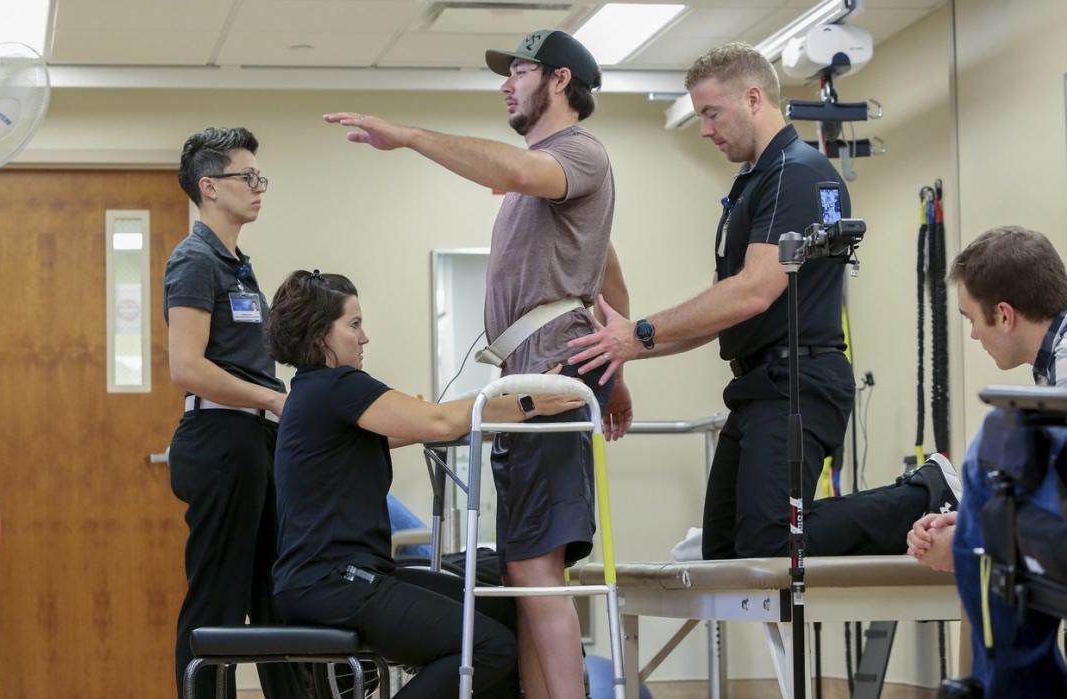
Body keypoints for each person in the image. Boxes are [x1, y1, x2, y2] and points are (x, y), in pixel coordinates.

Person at [324, 29, 628, 697]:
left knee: (535, 570)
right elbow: (604, 263)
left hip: (551, 372)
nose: (505, 83)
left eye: (519, 71)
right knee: (522, 570)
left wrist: (406, 137)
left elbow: (516, 172)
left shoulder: (575, 152)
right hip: (537, 368)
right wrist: (620, 364)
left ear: (557, 81)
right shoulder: (546, 177)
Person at [567, 42, 868, 559]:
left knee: (769, 540)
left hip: (797, 384)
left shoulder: (796, 173)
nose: (705, 129)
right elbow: (721, 308)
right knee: (726, 550)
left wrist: (641, 333)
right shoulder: (754, 182)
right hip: (758, 385)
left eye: (711, 113)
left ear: (754, 98)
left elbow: (755, 290)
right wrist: (628, 349)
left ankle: (923, 496)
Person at [266, 269, 586, 698]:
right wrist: (527, 401)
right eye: (354, 325)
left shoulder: (315, 395)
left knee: (497, 609)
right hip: (332, 584)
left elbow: (428, 425)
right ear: (320, 334)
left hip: (345, 578)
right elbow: (437, 420)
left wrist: (504, 409)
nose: (364, 338)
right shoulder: (337, 386)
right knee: (487, 647)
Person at [904, 226, 1067, 698]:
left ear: (1005, 315)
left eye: (973, 319)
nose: (972, 335)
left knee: (991, 448)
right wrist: (971, 523)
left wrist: (976, 536)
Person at [163, 127, 300, 698]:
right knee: (217, 599)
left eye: (260, 177)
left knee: (276, 592)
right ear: (209, 186)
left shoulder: (238, 264)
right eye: (248, 177)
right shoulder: (194, 260)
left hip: (256, 439)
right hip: (220, 437)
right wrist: (271, 397)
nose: (259, 187)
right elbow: (187, 366)